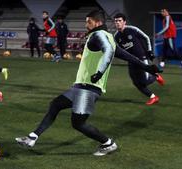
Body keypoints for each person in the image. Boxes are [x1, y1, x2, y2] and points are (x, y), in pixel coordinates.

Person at [15, 10, 162, 156]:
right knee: (55, 104)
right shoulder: (108, 37)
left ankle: (108, 143)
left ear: (98, 23)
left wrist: (99, 72)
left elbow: (108, 51)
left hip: (89, 88)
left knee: (78, 124)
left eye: (89, 22)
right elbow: (128, 56)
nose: (86, 24)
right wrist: (147, 67)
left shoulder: (99, 35)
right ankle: (32, 137)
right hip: (81, 86)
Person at [114, 13, 165, 105]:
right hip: (131, 60)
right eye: (116, 21)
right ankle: (153, 97)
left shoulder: (132, 29)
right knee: (136, 82)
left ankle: (155, 76)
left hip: (141, 58)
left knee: (144, 80)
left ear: (124, 22)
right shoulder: (116, 36)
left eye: (119, 20)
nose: (117, 23)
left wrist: (149, 51)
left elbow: (146, 37)